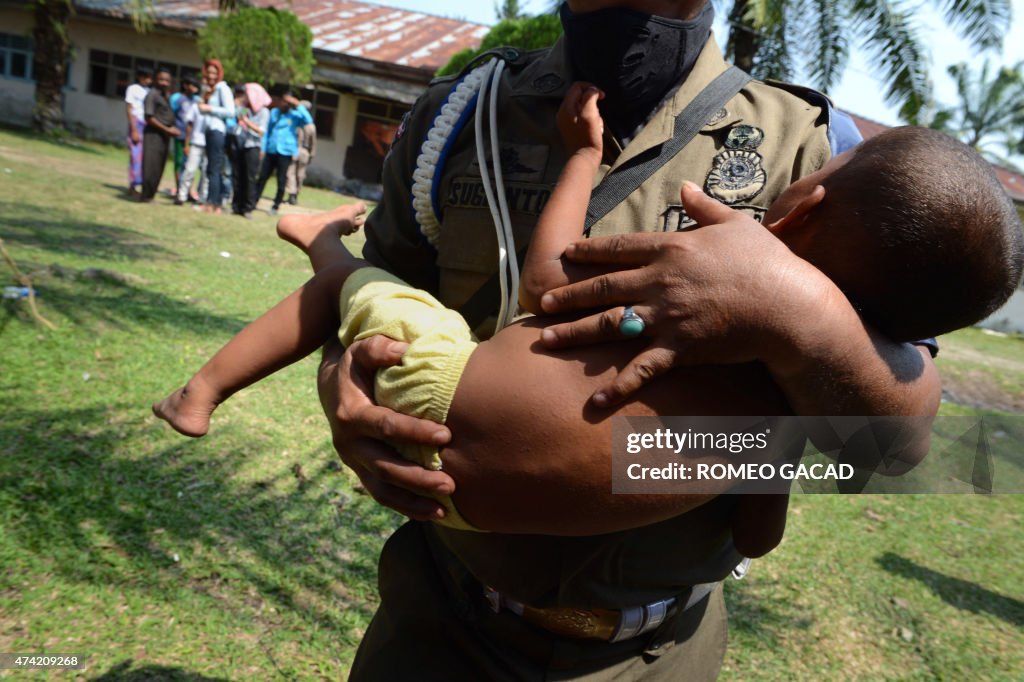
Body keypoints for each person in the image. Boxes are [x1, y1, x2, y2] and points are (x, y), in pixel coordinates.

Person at [313, 0, 952, 678]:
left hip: (659, 651)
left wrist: (795, 308)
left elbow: (897, 445)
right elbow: (366, 289)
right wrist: (340, 386)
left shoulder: (821, 149)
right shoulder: (465, 109)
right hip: (439, 621)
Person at [152, 90, 1022, 541]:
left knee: (353, 280)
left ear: (800, 213)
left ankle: (316, 245)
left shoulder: (723, 255)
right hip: (461, 524)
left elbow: (546, 286)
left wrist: (580, 158)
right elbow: (758, 531)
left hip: (439, 408)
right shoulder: (781, 423)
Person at [256, 92, 313, 215]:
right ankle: (253, 201)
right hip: (272, 149)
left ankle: (275, 205)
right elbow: (267, 132)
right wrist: (263, 148)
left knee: (281, 180)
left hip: (285, 152)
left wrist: (297, 104)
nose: (285, 104)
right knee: (262, 177)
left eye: (288, 102)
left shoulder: (295, 115)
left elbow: (309, 120)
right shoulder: (274, 113)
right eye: (284, 101)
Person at [196, 59, 235, 215]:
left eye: (214, 72)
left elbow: (231, 111)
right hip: (209, 131)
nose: (211, 75)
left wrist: (209, 108)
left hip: (217, 131)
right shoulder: (209, 90)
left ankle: (213, 203)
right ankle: (213, 202)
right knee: (211, 167)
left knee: (214, 168)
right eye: (209, 72)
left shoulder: (222, 88)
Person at [230, 83, 271, 218]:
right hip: (240, 144)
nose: (245, 97)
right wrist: (237, 105)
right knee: (238, 176)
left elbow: (261, 131)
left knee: (249, 178)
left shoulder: (264, 112)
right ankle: (236, 206)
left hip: (253, 147)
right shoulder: (245, 109)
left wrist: (246, 122)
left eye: (247, 95)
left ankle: (248, 208)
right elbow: (235, 115)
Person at [139, 68, 180, 202]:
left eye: (167, 80)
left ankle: (151, 195)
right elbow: (149, 118)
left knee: (159, 166)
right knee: (151, 165)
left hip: (164, 137)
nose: (164, 83)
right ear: (155, 79)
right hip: (153, 135)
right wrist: (167, 130)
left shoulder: (165, 96)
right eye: (161, 79)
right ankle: (146, 195)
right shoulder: (152, 95)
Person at [124, 66, 152, 197]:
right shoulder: (133, 89)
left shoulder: (149, 91)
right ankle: (132, 186)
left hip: (146, 124)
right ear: (140, 76)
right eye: (146, 77)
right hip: (137, 123)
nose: (148, 80)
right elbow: (129, 108)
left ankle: (140, 185)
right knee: (135, 157)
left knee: (143, 157)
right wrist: (134, 128)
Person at [169, 76, 200, 195]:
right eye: (191, 85)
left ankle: (187, 190)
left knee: (190, 164)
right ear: (185, 85)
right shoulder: (177, 98)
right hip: (179, 134)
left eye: (195, 86)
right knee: (179, 162)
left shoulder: (197, 100)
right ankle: (178, 189)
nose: (193, 88)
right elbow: (171, 114)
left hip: (193, 137)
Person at [176, 94, 208, 205]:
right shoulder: (195, 107)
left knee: (206, 173)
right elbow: (189, 125)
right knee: (189, 170)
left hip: (209, 145)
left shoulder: (217, 109)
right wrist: (186, 144)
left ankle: (202, 198)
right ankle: (181, 196)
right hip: (196, 142)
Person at [285, 102, 317, 205]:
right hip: (304, 152)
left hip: (295, 150)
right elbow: (313, 143)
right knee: (299, 174)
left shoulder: (296, 122)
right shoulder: (311, 126)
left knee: (292, 173)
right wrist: (311, 155)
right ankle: (294, 195)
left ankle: (292, 194)